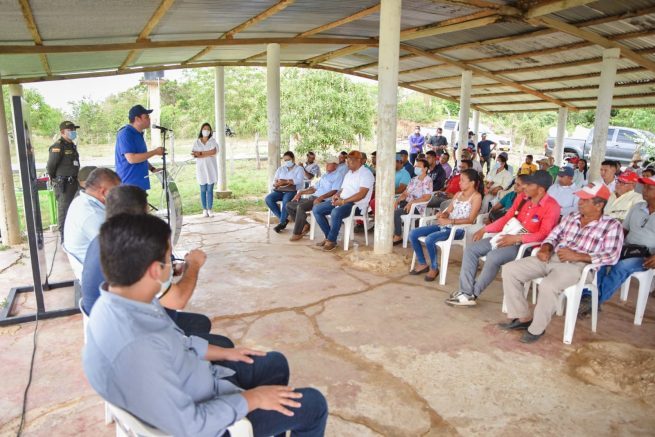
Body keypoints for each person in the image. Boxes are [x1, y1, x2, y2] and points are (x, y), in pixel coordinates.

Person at [84, 213, 328, 437]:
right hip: (209, 420)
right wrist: (252, 399)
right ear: (154, 270)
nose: (174, 265)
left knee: (275, 362)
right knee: (314, 405)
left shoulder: (124, 299)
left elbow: (179, 342)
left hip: (200, 381)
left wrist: (226, 353)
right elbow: (191, 425)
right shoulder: (138, 346)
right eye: (170, 258)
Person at [80, 184, 233, 348]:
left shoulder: (105, 239)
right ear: (140, 216)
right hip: (133, 335)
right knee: (224, 345)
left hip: (109, 321)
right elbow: (178, 300)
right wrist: (193, 264)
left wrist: (171, 268)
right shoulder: (135, 248)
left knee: (200, 323)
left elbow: (139, 275)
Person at [499, 183, 623, 343]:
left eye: (585, 200)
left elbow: (612, 255)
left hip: (579, 267)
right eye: (580, 198)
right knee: (510, 270)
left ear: (599, 205)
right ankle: (522, 318)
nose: (579, 202)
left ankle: (536, 329)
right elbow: (553, 236)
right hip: (553, 257)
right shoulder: (572, 217)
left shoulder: (612, 225)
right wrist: (546, 248)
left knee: (548, 286)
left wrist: (578, 256)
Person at [446, 170, 561, 307]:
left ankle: (472, 294)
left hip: (526, 246)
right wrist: (484, 229)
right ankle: (465, 291)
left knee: (494, 256)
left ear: (540, 189)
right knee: (472, 249)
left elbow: (544, 234)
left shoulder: (552, 206)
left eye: (529, 184)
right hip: (507, 236)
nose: (524, 187)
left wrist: (516, 238)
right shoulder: (522, 198)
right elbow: (507, 218)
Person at [582, 175, 655, 316]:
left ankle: (591, 302)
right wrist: (608, 243)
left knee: (622, 266)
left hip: (647, 254)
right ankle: (589, 296)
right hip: (626, 247)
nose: (644, 190)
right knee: (598, 257)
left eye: (649, 187)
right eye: (644, 186)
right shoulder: (637, 207)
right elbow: (624, 230)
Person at [409, 169, 483, 281]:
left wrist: (450, 222)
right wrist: (443, 214)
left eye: (462, 180)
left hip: (459, 230)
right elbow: (449, 211)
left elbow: (470, 220)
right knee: (413, 233)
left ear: (472, 183)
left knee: (430, 239)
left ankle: (434, 268)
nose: (459, 182)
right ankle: (422, 263)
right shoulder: (458, 194)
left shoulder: (476, 197)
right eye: (460, 180)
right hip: (446, 225)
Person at [63, 168, 121, 277]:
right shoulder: (92, 214)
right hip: (98, 277)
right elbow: (117, 251)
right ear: (103, 192)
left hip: (93, 266)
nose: (118, 197)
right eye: (115, 192)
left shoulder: (80, 200)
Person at [313, 151, 375, 252]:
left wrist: (343, 201)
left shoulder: (366, 174)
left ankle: (331, 240)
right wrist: (336, 195)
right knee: (317, 209)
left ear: (359, 161)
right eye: (348, 160)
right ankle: (329, 236)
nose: (348, 162)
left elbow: (361, 195)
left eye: (351, 160)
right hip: (343, 201)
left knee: (336, 212)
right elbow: (342, 189)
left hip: (356, 205)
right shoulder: (349, 174)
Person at [286, 159, 344, 241]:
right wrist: (300, 193)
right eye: (326, 164)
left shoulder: (338, 175)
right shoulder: (325, 175)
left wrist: (320, 198)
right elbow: (313, 189)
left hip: (323, 200)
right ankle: (305, 225)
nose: (327, 165)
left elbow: (334, 191)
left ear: (336, 165)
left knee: (300, 207)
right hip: (313, 197)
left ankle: (297, 233)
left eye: (329, 164)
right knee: (289, 205)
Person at [114, 105, 164, 191]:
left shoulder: (138, 134)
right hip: (129, 184)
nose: (149, 119)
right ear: (137, 119)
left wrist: (152, 169)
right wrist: (155, 152)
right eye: (146, 117)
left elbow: (141, 157)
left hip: (139, 183)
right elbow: (132, 159)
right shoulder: (126, 133)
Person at [47, 121, 81, 242]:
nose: (73, 132)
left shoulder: (71, 145)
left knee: (74, 209)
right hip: (64, 184)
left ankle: (73, 235)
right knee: (64, 210)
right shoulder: (58, 146)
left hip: (74, 183)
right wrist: (54, 178)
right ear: (62, 132)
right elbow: (51, 166)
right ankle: (64, 239)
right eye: (70, 130)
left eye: (74, 130)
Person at [392, 158, 434, 245]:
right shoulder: (414, 179)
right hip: (407, 203)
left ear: (425, 169)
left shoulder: (427, 180)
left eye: (418, 166)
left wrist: (412, 203)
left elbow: (426, 197)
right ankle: (393, 232)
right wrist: (398, 199)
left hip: (417, 207)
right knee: (390, 208)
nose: (416, 167)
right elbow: (405, 193)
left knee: (397, 213)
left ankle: (398, 235)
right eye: (416, 166)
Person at [265, 151, 305, 233]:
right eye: (285, 160)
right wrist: (276, 183)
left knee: (286, 200)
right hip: (280, 190)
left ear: (293, 159)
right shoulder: (281, 169)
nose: (287, 162)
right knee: (268, 199)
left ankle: (282, 222)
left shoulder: (299, 169)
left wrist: (286, 181)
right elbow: (274, 180)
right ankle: (283, 220)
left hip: (292, 191)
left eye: (288, 159)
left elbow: (299, 181)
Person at [191, 122, 218, 217]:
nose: (205, 131)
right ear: (201, 130)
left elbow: (214, 152)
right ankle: (204, 209)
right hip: (201, 169)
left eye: (207, 129)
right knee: (203, 189)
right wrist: (207, 153)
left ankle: (210, 209)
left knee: (210, 189)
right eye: (204, 129)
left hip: (211, 168)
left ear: (210, 131)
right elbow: (194, 154)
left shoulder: (213, 141)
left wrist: (200, 154)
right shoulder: (197, 142)